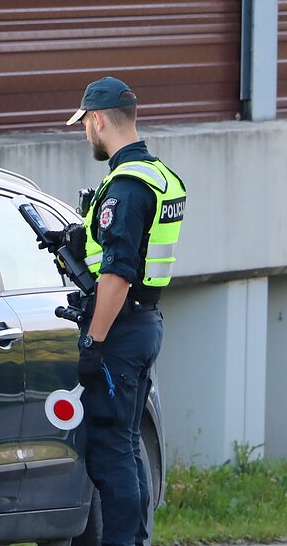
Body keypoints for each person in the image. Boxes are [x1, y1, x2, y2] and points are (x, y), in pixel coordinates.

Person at [66, 77, 186, 546]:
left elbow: (116, 275)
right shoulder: (160, 175)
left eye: (85, 125)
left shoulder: (127, 185)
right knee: (127, 448)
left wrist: (92, 343)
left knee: (110, 455)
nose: (86, 135)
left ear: (97, 120)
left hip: (118, 326)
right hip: (144, 322)